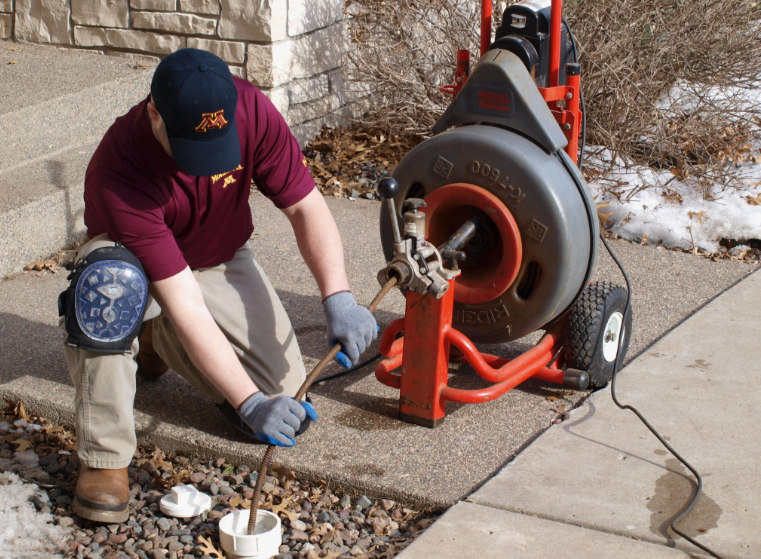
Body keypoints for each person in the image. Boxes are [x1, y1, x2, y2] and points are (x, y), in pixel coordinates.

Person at [58, 48, 377, 524]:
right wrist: (247, 403)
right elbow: (183, 300)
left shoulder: (251, 111)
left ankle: (152, 336)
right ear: (154, 113)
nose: (204, 164)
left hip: (216, 260)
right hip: (136, 269)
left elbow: (306, 208)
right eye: (190, 145)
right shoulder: (120, 170)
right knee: (112, 290)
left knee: (287, 399)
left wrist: (339, 297)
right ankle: (105, 459)